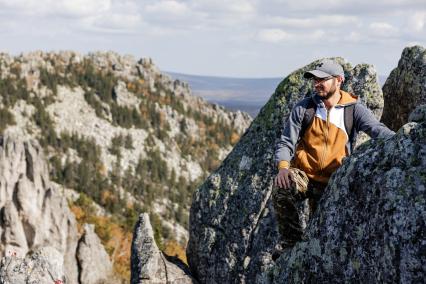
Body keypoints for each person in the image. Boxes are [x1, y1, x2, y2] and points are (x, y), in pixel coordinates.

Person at [272, 59, 394, 259]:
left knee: (320, 236)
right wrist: (284, 168)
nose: (316, 83)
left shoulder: (353, 109)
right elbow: (286, 142)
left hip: (333, 184)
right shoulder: (304, 108)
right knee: (281, 187)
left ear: (339, 80)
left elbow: (377, 130)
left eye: (322, 79)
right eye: (314, 79)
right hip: (305, 177)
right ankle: (290, 245)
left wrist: (403, 140)